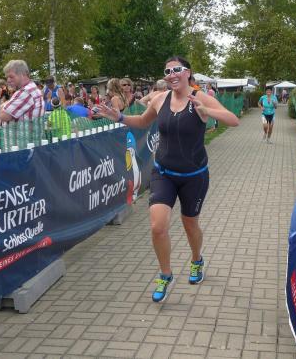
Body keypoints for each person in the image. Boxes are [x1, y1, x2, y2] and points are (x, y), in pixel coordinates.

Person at [95, 56, 240, 303]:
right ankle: (165, 274)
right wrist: (119, 117)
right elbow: (143, 121)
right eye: (167, 71)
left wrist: (206, 111)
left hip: (194, 176)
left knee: (190, 224)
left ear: (188, 73)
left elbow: (233, 120)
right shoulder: (160, 98)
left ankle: (197, 260)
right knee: (157, 226)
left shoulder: (200, 98)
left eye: (177, 70)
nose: (172, 74)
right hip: (164, 173)